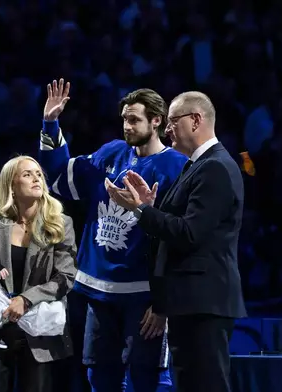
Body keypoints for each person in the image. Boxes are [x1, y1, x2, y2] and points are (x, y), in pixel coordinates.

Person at [39, 79, 188, 392]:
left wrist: (164, 302)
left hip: (144, 294)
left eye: (134, 119)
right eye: (124, 118)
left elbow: (183, 239)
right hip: (98, 290)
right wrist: (51, 124)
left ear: (156, 121)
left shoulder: (177, 168)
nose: (126, 125)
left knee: (148, 378)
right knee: (100, 378)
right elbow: (60, 180)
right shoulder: (112, 153)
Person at [106, 91, 246, 392]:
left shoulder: (215, 167)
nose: (167, 129)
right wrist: (149, 205)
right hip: (189, 302)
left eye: (172, 121)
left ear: (195, 120)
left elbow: (190, 233)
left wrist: (140, 210)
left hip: (204, 303)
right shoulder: (195, 166)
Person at [0, 155, 78, 392]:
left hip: (39, 333)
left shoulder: (60, 223)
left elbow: (66, 277)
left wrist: (25, 299)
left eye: (39, 174)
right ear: (11, 184)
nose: (36, 179)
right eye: (27, 174)